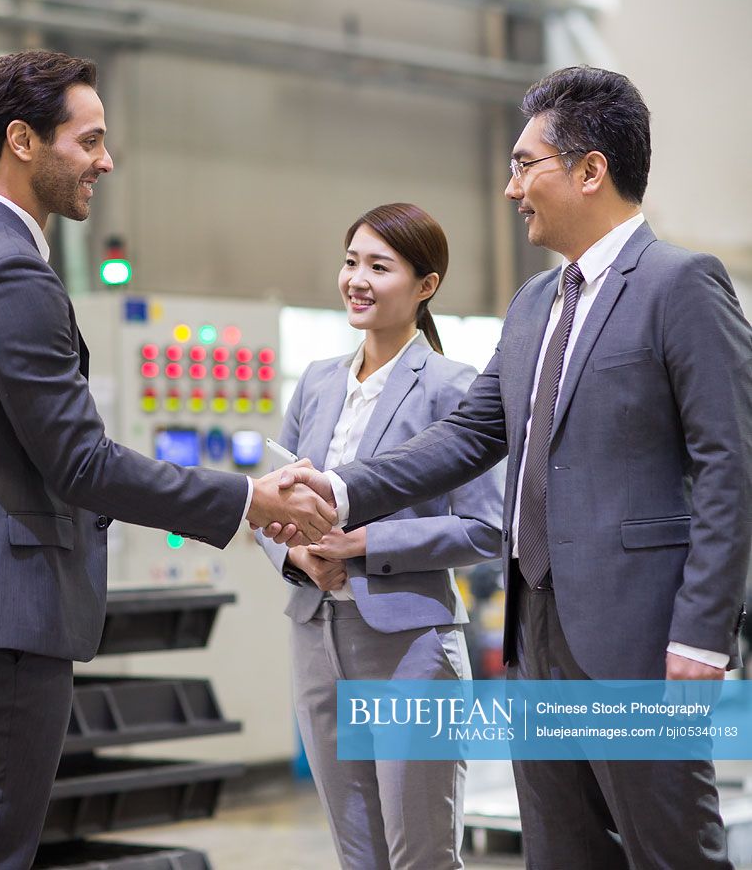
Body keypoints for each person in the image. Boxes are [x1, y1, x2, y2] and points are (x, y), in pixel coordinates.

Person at [279, 67, 752, 870]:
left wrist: (703, 634)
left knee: (667, 846)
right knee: (561, 848)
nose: (509, 188)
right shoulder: (534, 301)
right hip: (536, 629)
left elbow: (730, 464)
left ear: (589, 170)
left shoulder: (679, 284)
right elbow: (469, 433)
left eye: (524, 163)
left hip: (638, 636)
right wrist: (343, 488)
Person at [0, 50, 334, 870]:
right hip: (2, 618)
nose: (106, 160)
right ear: (23, 140)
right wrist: (246, 497)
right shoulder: (7, 272)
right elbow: (81, 462)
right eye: (90, 139)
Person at [258, 203, 504, 870]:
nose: (356, 279)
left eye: (378, 266)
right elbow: (270, 504)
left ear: (424, 285)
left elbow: (486, 527)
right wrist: (298, 554)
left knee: (420, 853)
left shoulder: (457, 387)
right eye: (350, 262)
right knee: (357, 855)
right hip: (316, 637)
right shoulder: (314, 382)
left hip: (409, 648)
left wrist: (362, 545)